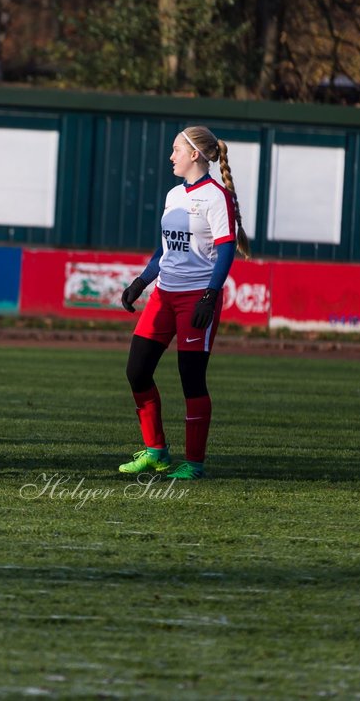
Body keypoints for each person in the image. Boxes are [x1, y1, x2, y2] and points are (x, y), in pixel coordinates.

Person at [117, 125, 251, 480]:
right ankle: (156, 451)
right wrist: (141, 282)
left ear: (195, 154)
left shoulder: (216, 196)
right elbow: (164, 250)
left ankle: (193, 463)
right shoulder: (174, 194)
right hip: (163, 296)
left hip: (196, 299)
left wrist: (210, 294)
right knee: (137, 371)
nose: (170, 156)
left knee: (191, 380)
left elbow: (226, 250)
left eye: (176, 149)